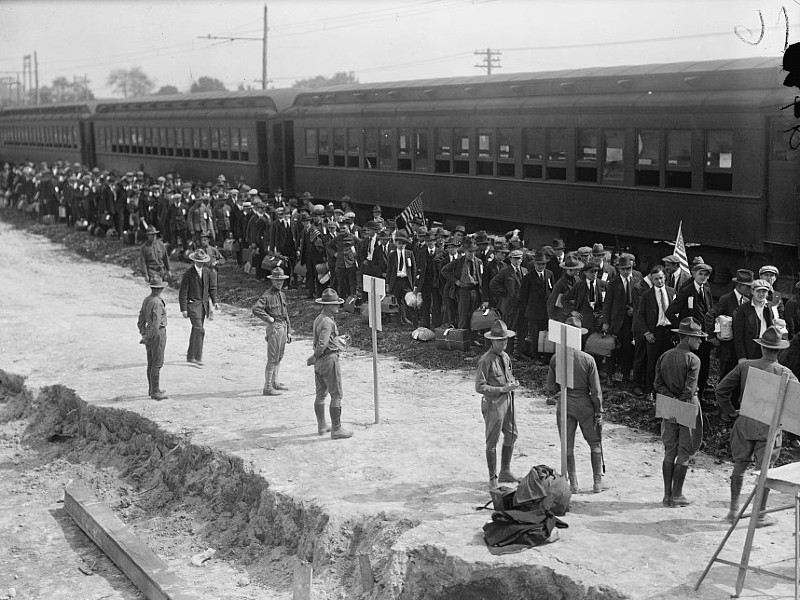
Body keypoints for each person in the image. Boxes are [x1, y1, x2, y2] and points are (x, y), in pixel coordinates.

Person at [716, 326, 797, 524]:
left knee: (740, 465)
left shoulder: (746, 366)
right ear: (779, 350)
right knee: (765, 471)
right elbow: (796, 403)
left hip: (744, 422)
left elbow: (721, 390)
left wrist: (731, 411)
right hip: (768, 427)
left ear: (762, 348)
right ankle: (759, 514)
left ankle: (733, 511)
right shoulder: (784, 372)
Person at [547, 316, 606, 494]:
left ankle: (573, 483)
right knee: (595, 443)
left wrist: (557, 395)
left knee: (567, 445)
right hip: (585, 404)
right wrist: (599, 411)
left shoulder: (556, 358)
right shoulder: (588, 359)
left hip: (564, 403)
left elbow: (551, 387)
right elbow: (596, 391)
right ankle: (597, 482)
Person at [654, 317, 705, 508]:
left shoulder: (664, 356)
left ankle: (667, 495)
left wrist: (670, 399)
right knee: (684, 450)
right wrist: (681, 401)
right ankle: (677, 495)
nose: (700, 341)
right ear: (686, 338)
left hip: (667, 404)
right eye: (697, 337)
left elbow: (657, 384)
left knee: (669, 449)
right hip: (687, 405)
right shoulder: (694, 359)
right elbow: (690, 389)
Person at [476, 320, 521, 489]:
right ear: (492, 341)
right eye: (500, 340)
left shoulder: (505, 357)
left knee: (512, 434)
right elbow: (479, 387)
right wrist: (502, 388)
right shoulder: (485, 360)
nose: (504, 343)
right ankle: (493, 477)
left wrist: (512, 384)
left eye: (506, 340)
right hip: (493, 403)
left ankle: (505, 471)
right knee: (492, 441)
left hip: (507, 401)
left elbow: (508, 376)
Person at [667, 261, 715, 409]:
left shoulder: (706, 290)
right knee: (690, 369)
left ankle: (698, 399)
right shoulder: (686, 291)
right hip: (690, 338)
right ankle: (686, 399)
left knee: (703, 368)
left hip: (703, 337)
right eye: (700, 274)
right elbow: (669, 312)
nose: (703, 277)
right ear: (694, 274)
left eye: (706, 275)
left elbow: (709, 312)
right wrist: (682, 328)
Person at [307, 288, 353, 439]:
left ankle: (322, 426)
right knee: (336, 394)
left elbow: (323, 340)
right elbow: (323, 343)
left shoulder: (319, 318)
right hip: (328, 359)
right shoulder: (328, 321)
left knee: (320, 394)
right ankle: (336, 429)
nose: (338, 306)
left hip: (320, 362)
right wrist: (315, 355)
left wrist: (337, 340)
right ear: (327, 305)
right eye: (335, 304)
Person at [634, 266, 676, 400]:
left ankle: (664, 391)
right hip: (654, 333)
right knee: (652, 363)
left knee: (667, 362)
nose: (659, 281)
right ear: (652, 280)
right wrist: (647, 333)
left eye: (661, 278)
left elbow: (677, 311)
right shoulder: (647, 295)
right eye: (656, 279)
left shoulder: (671, 292)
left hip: (669, 332)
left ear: (665, 278)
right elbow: (640, 316)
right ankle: (649, 390)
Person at [706, 269, 753, 378]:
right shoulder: (726, 299)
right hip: (727, 349)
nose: (750, 289)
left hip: (739, 349)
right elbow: (711, 316)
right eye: (747, 286)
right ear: (739, 285)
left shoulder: (746, 301)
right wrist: (714, 335)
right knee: (725, 377)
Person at [252, 266, 292, 396]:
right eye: (277, 280)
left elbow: (286, 314)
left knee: (279, 356)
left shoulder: (282, 294)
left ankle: (275, 382)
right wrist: (268, 318)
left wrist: (289, 331)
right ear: (272, 281)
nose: (279, 283)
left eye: (281, 280)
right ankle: (268, 386)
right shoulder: (267, 295)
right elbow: (256, 309)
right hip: (274, 328)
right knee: (272, 358)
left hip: (283, 327)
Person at [178, 249, 219, 366]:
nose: (200, 263)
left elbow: (212, 289)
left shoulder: (208, 272)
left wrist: (215, 302)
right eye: (198, 261)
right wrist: (184, 308)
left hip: (203, 306)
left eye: (202, 261)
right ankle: (198, 357)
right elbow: (183, 292)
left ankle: (190, 355)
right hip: (192, 305)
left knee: (195, 330)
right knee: (200, 330)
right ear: (194, 261)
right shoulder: (188, 274)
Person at [137, 275, 169, 401]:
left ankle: (152, 389)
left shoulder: (147, 300)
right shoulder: (157, 302)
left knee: (151, 362)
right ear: (161, 289)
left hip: (149, 333)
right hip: (158, 334)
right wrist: (151, 336)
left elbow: (140, 319)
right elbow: (156, 324)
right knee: (157, 363)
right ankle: (155, 392)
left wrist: (144, 334)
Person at [733, 278, 774, 362]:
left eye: (764, 291)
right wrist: (741, 356)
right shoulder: (743, 309)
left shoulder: (770, 307)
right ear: (752, 292)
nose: (761, 294)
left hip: (766, 348)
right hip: (750, 350)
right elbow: (738, 335)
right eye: (758, 291)